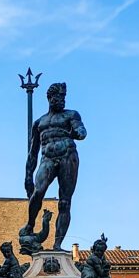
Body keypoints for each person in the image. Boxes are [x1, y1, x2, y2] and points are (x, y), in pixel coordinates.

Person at [23, 82, 87, 250]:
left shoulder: (71, 115)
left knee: (65, 202)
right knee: (38, 192)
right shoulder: (39, 123)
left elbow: (81, 130)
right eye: (58, 97)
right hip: (47, 158)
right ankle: (30, 225)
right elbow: (32, 152)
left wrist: (78, 133)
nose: (61, 100)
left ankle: (57, 244)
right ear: (50, 98)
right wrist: (28, 175)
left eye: (63, 97)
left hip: (68, 156)